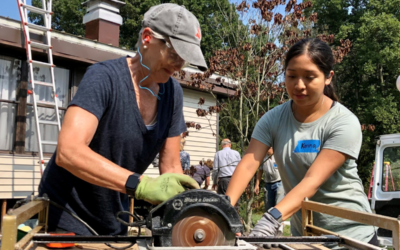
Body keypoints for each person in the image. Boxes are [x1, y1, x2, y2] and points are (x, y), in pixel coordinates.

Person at [38, 3, 207, 236]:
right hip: (64, 215)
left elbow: (170, 167)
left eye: (185, 59)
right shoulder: (104, 78)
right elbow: (68, 151)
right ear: (147, 37)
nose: (179, 65)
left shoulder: (172, 94)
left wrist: (193, 213)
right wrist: (141, 185)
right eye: (174, 54)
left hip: (112, 217)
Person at [225, 38, 378, 245]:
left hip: (351, 237)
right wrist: (224, 210)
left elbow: (312, 181)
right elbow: (248, 164)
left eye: (309, 77)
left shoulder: (343, 122)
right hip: (305, 236)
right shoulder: (273, 119)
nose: (299, 85)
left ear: (327, 77)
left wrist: (272, 219)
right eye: (292, 76)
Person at [254, 148, 284, 212]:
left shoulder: (278, 156)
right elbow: (260, 172)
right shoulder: (263, 158)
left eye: (269, 148)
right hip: (268, 185)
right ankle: (270, 221)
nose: (267, 149)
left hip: (279, 183)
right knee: (268, 207)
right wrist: (257, 185)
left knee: (278, 206)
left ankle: (279, 222)